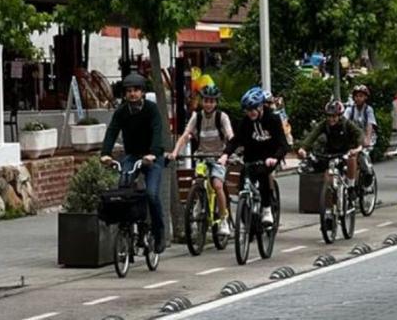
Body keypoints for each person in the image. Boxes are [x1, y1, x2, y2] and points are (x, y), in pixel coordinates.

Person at [100, 73, 166, 253]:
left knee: (152, 194)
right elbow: (112, 131)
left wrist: (153, 153)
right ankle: (129, 227)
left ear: (143, 92)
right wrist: (105, 154)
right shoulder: (122, 111)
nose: (133, 94)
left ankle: (159, 233)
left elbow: (157, 131)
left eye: (136, 90)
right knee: (123, 187)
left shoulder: (151, 109)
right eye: (129, 91)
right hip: (133, 155)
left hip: (152, 157)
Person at [170, 84, 234, 236]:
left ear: (216, 103)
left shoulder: (222, 117)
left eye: (212, 101)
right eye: (206, 100)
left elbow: (230, 136)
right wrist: (174, 152)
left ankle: (224, 219)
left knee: (218, 185)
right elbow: (185, 136)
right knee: (198, 180)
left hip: (219, 157)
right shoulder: (196, 116)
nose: (208, 104)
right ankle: (198, 204)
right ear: (202, 101)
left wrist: (229, 152)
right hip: (201, 156)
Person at [223, 87, 288, 225]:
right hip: (251, 157)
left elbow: (283, 144)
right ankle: (248, 215)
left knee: (263, 175)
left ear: (260, 107)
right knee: (243, 181)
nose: (250, 113)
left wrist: (275, 157)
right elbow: (236, 140)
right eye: (247, 110)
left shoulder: (273, 119)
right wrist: (225, 154)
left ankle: (266, 209)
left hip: (269, 157)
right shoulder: (245, 122)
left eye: (253, 109)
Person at [298, 100, 363, 190]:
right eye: (328, 116)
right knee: (326, 173)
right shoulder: (325, 124)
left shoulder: (346, 124)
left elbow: (359, 133)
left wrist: (358, 147)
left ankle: (351, 187)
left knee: (351, 159)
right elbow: (313, 135)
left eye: (334, 116)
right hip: (332, 152)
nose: (331, 119)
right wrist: (303, 148)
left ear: (340, 116)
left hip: (347, 150)